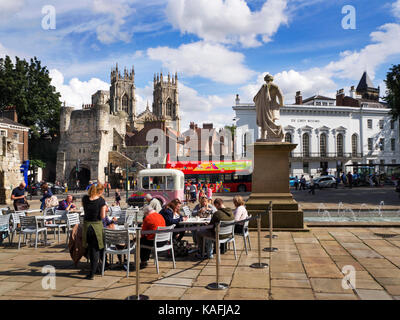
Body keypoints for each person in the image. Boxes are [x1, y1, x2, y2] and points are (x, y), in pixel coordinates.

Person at [82, 183, 107, 280]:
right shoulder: (101, 201)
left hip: (87, 226)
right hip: (96, 227)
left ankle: (97, 268)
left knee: (91, 248)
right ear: (100, 191)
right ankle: (93, 272)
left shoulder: (85, 199)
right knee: (96, 250)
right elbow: (102, 216)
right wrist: (104, 208)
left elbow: (85, 209)